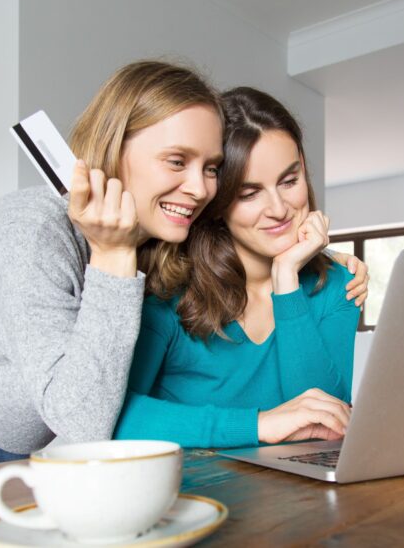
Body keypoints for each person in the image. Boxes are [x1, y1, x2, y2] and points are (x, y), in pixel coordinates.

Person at [0, 61, 367, 470]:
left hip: (25, 396)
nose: (199, 188)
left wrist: (301, 270)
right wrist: (115, 256)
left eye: (211, 169)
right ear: (116, 151)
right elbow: (87, 421)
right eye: (176, 161)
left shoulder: (163, 246)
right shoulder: (32, 231)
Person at [114, 87, 360, 448]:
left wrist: (286, 281)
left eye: (289, 181)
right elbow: (115, 418)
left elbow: (324, 426)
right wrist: (257, 426)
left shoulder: (339, 284)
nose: (279, 209)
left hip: (299, 499)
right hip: (192, 496)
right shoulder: (167, 287)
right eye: (249, 193)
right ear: (217, 200)